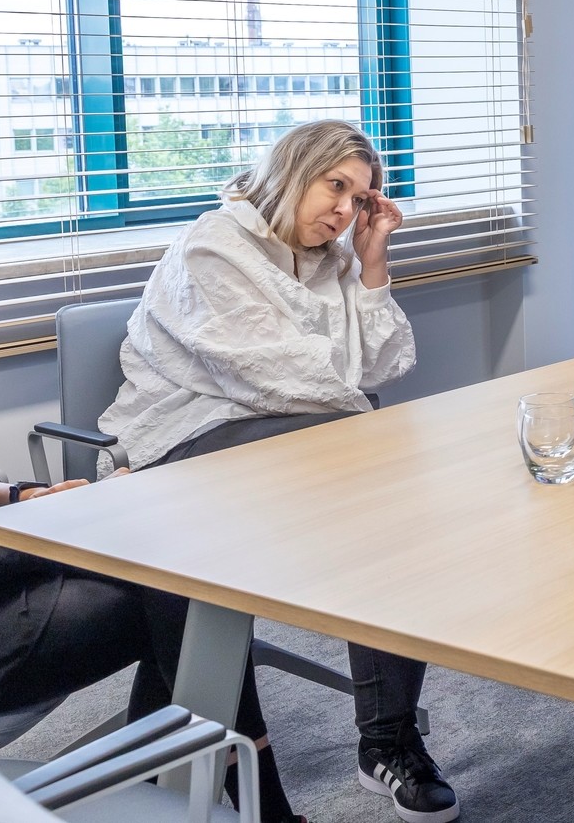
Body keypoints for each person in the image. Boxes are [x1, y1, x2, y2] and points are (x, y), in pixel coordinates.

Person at [0, 110, 303, 822]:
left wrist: (32, 497)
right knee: (185, 594)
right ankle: (234, 792)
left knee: (171, 554)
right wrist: (49, 531)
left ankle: (193, 789)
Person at [100, 119, 457, 823]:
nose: (345, 210)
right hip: (182, 438)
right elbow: (286, 379)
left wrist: (373, 260)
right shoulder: (213, 247)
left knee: (392, 502)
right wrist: (364, 413)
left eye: (360, 198)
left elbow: (384, 364)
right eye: (335, 186)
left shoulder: (333, 257)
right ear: (293, 173)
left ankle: (387, 741)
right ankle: (269, 776)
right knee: (385, 472)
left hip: (298, 431)